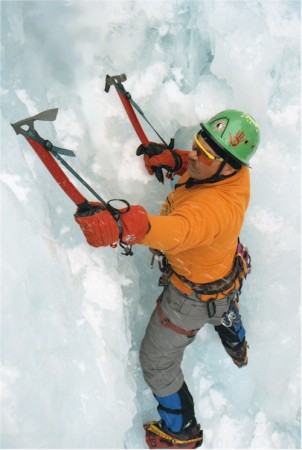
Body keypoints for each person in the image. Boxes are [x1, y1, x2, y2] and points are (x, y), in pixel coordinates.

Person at [74, 109, 260, 449]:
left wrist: (126, 226)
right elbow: (206, 166)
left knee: (157, 364)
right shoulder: (234, 173)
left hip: (190, 299)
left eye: (205, 154)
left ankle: (181, 431)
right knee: (223, 306)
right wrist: (179, 160)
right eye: (198, 143)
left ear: (229, 165)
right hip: (222, 271)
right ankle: (236, 339)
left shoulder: (214, 209)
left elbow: (181, 230)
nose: (196, 154)